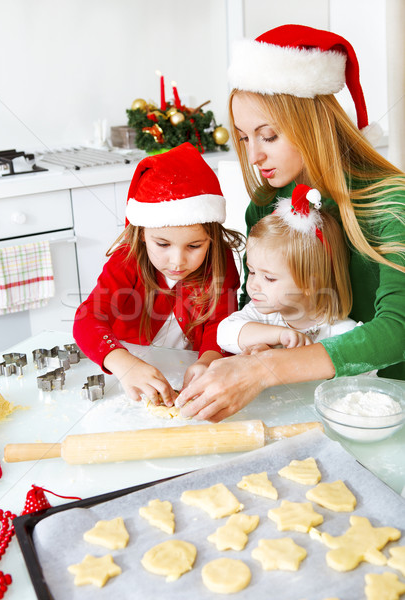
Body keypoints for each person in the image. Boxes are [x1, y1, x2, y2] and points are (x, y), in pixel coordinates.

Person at [175, 24, 405, 422]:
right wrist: (216, 359)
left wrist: (264, 371)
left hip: (385, 408)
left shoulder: (389, 202)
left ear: (312, 125)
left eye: (269, 136)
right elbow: (257, 304)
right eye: (245, 139)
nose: (254, 157)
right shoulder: (267, 206)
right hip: (306, 399)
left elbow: (397, 331)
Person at [73, 142, 243, 405]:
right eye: (162, 244)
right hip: (130, 379)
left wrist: (210, 360)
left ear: (211, 238)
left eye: (194, 246)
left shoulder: (220, 263)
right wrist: (123, 363)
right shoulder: (127, 260)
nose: (177, 261)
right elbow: (88, 318)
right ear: (142, 233)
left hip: (187, 375)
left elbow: (220, 325)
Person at [217, 184, 359, 354]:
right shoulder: (263, 315)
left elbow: (366, 369)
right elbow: (224, 333)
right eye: (252, 272)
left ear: (310, 283)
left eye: (269, 278)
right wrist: (279, 335)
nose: (253, 284)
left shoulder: (341, 332)